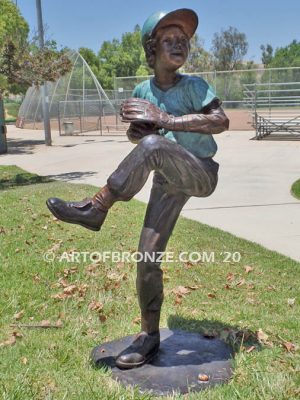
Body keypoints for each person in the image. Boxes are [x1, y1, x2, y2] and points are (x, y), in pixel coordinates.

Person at [46, 8, 229, 369]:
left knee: (153, 147)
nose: (179, 44)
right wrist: (140, 129)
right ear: (152, 49)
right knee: (147, 258)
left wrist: (165, 121)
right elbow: (143, 139)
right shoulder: (143, 89)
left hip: (199, 172)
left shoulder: (194, 86)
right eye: (169, 39)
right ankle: (149, 335)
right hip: (165, 174)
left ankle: (98, 207)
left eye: (184, 41)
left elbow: (219, 120)